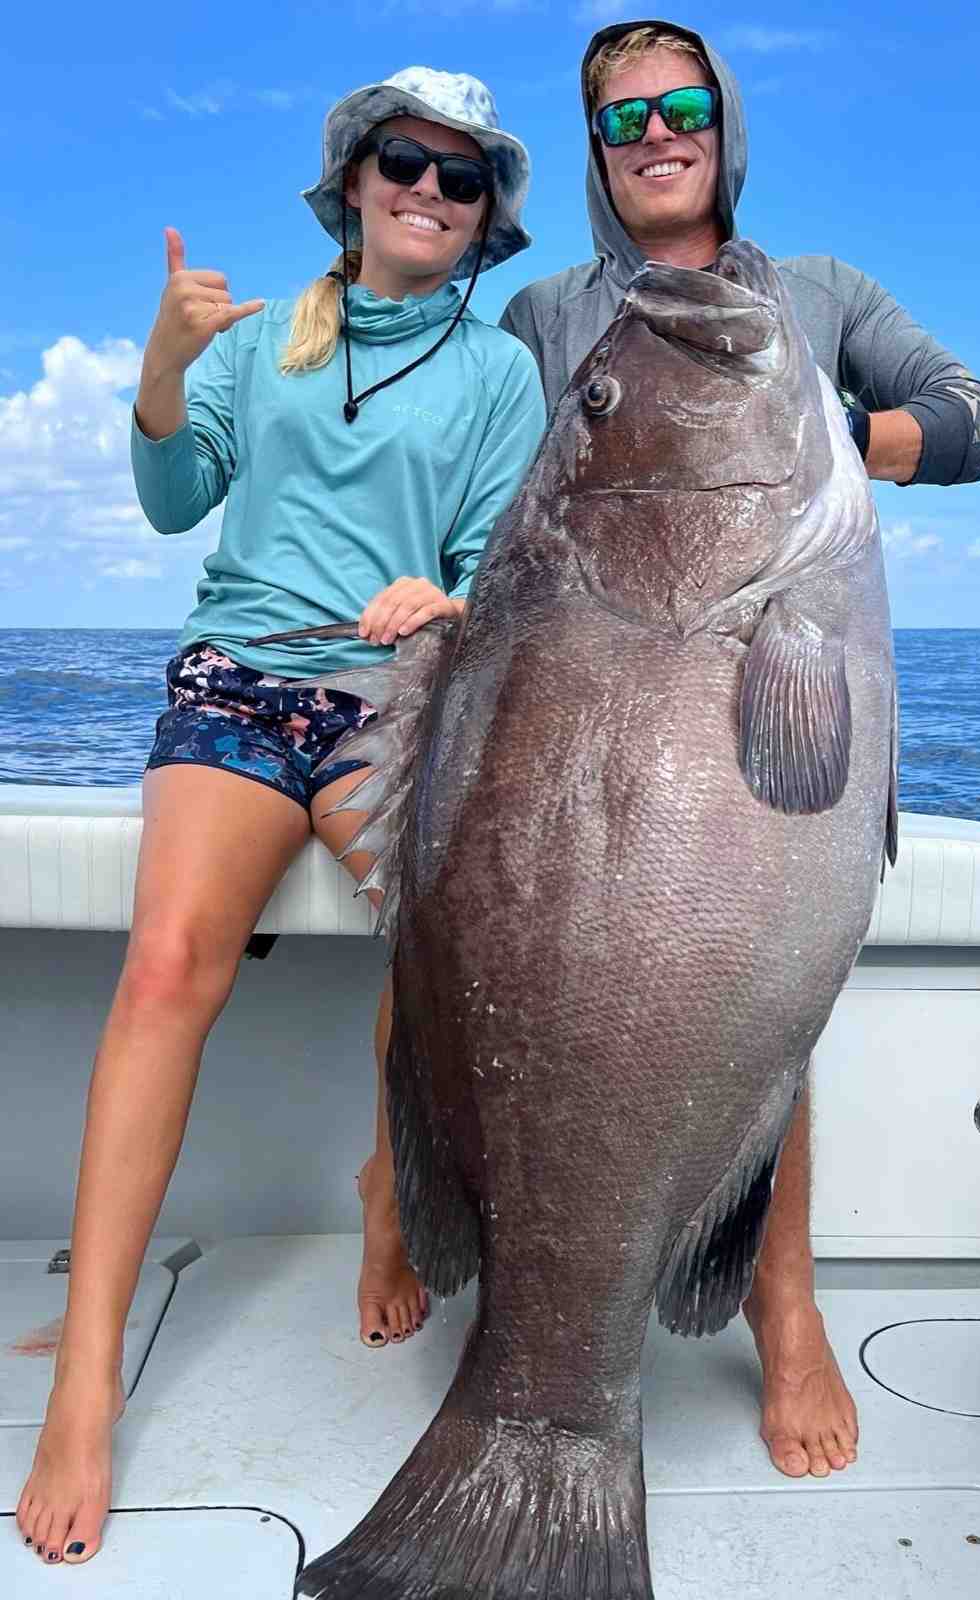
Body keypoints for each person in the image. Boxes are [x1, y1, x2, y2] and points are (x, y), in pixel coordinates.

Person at [15, 67, 544, 1569]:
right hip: (242, 686)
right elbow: (175, 499)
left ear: (486, 212)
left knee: (447, 958)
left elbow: (495, 566)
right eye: (404, 162)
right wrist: (162, 370)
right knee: (167, 968)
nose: (427, 192)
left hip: (395, 696)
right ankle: (91, 1383)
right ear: (354, 180)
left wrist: (447, 598)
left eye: (459, 178)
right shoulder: (266, 343)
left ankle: (390, 1195)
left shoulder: (500, 372)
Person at [501, 20, 980, 1483]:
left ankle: (786, 1313)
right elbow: (466, 464)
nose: (656, 134)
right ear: (597, 153)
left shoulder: (822, 294)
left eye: (682, 106)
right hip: (589, 749)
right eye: (621, 120)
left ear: (725, 125)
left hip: (778, 717)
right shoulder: (545, 318)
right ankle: (422, 1219)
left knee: (760, 1016)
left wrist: (849, 434)